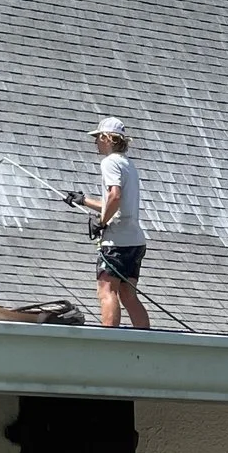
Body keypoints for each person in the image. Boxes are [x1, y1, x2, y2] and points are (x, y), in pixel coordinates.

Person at [76, 117, 151, 329]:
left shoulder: (109, 162)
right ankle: (145, 340)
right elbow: (114, 202)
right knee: (128, 295)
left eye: (98, 137)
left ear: (108, 138)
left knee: (106, 290)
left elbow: (115, 196)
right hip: (135, 241)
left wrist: (101, 223)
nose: (96, 142)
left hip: (116, 243)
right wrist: (82, 200)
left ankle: (108, 342)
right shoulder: (128, 164)